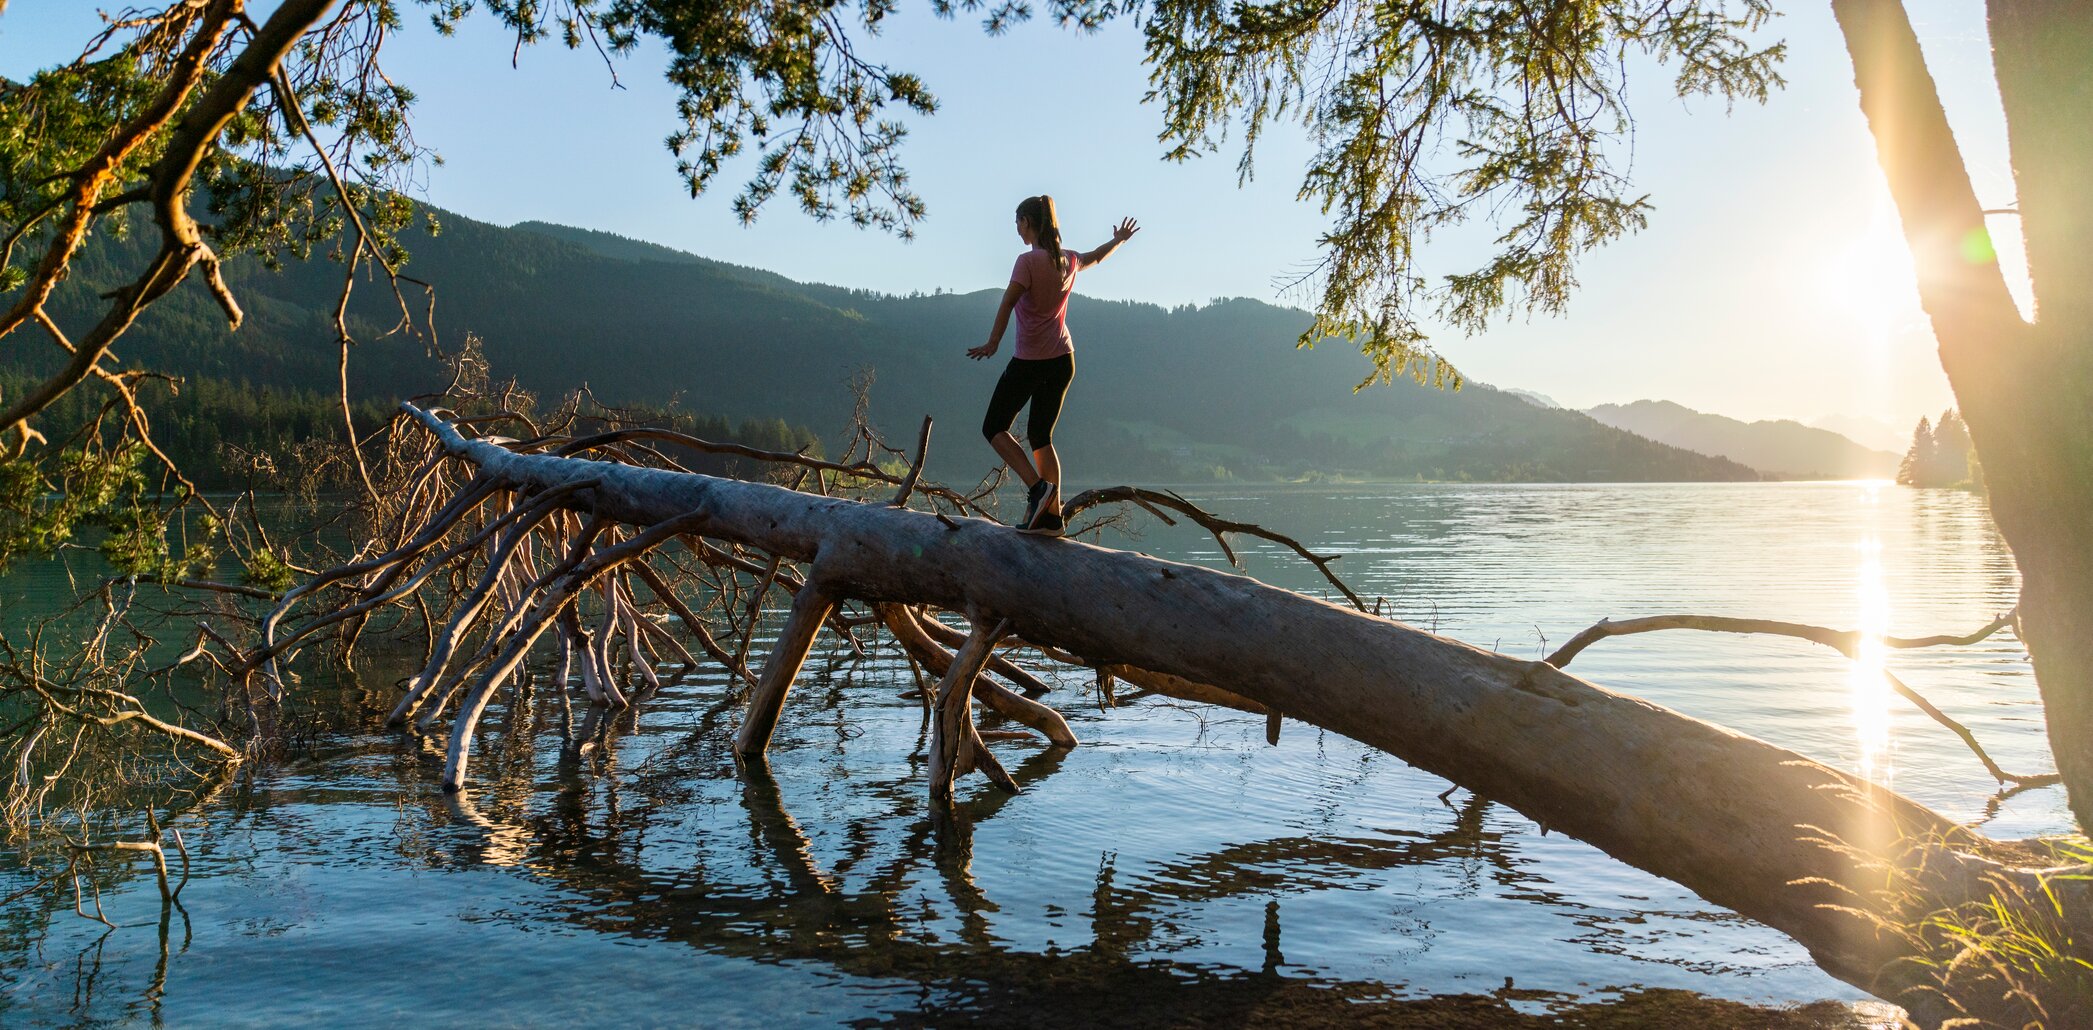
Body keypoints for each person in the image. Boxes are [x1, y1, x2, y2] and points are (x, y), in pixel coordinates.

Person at [969, 195, 1139, 535]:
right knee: (1040, 437)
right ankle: (1051, 517)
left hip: (1031, 362)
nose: (1016, 228)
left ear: (1029, 223)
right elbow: (1095, 257)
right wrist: (1118, 241)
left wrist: (992, 343)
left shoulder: (1027, 262)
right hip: (1063, 360)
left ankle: (1038, 490)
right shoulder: (1067, 260)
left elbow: (1006, 304)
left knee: (993, 427)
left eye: (1018, 222)